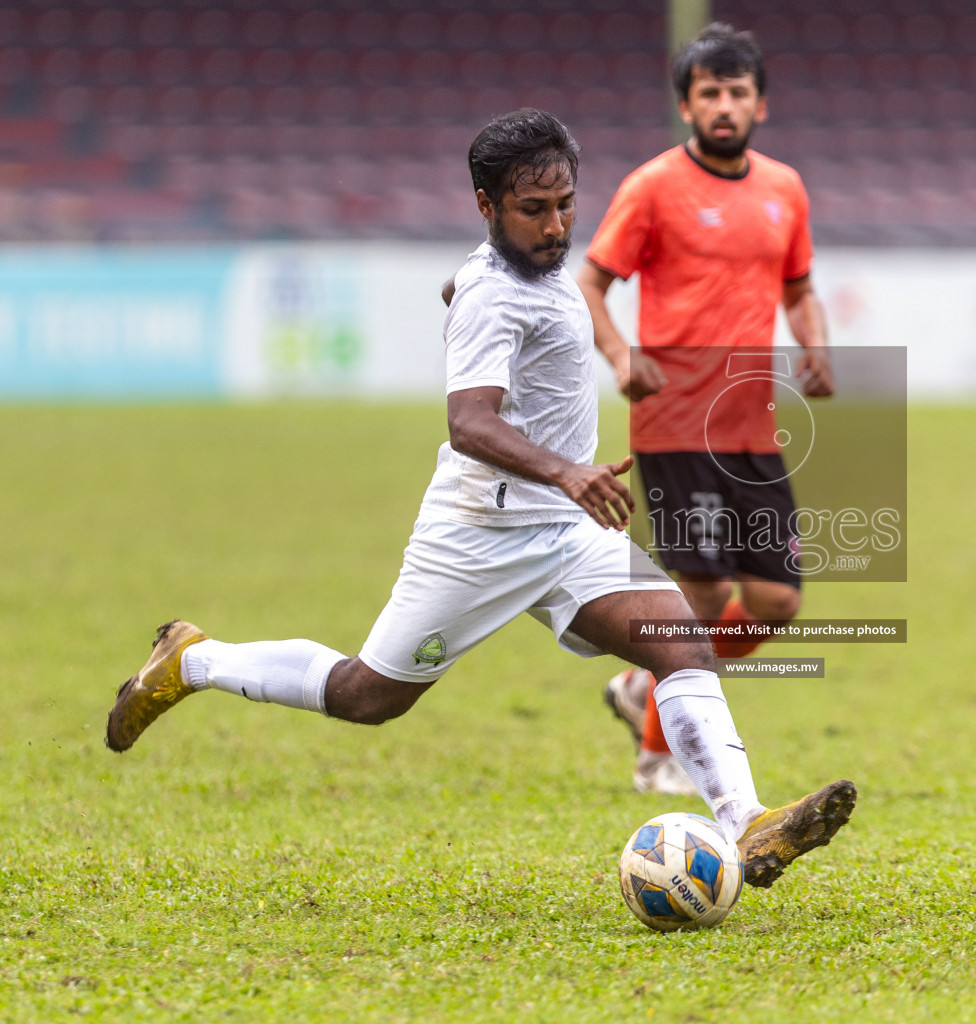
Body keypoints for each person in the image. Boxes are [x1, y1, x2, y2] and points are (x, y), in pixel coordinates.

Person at [106, 109, 855, 891]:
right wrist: (569, 472)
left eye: (565, 203)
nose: (556, 223)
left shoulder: (513, 271)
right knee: (367, 696)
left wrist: (470, 296)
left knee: (680, 643)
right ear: (485, 205)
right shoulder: (497, 296)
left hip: (567, 534)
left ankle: (747, 825)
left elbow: (464, 284)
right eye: (534, 210)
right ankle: (194, 661)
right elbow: (469, 422)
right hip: (480, 533)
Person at [577, 24, 833, 796]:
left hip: (751, 424)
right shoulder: (652, 187)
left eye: (738, 92)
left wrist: (815, 343)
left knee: (776, 601)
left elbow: (797, 287)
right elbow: (591, 283)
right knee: (699, 592)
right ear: (686, 104)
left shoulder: (784, 188)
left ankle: (643, 690)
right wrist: (621, 357)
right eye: (710, 93)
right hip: (675, 421)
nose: (725, 106)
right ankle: (659, 755)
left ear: (761, 102)